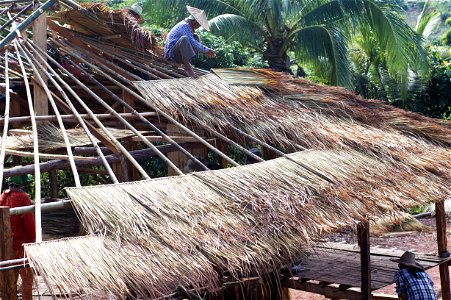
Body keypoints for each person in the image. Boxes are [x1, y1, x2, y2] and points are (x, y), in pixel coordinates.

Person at [0, 176, 35, 300]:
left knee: (10, 277)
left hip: (5, 244)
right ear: (22, 185)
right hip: (20, 244)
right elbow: (28, 221)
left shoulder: (3, 196)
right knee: (27, 277)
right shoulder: (23, 197)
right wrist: (34, 239)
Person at [164, 6, 216, 78]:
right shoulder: (184, 25)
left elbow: (193, 40)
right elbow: (192, 42)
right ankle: (187, 67)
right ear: (194, 21)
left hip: (178, 53)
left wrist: (205, 51)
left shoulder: (187, 26)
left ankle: (188, 62)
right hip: (171, 55)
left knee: (195, 37)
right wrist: (207, 50)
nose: (198, 26)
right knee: (184, 39)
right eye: (198, 24)